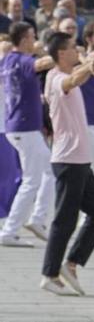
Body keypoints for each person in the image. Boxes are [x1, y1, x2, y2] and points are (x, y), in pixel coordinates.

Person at [38, 34, 94, 298]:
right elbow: (71, 81)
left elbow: (77, 77)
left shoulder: (67, 74)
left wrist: (88, 62)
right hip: (68, 159)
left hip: (79, 159)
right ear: (61, 53)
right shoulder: (56, 78)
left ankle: (70, 264)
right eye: (72, 48)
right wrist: (91, 65)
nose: (76, 50)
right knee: (64, 220)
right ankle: (49, 274)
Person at [0, 22, 52, 247]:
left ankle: (36, 219)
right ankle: (11, 230)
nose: (35, 40)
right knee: (32, 180)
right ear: (24, 40)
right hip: (25, 127)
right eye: (32, 37)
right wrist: (52, 51)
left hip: (19, 126)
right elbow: (43, 63)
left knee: (49, 171)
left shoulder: (7, 60)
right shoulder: (22, 60)